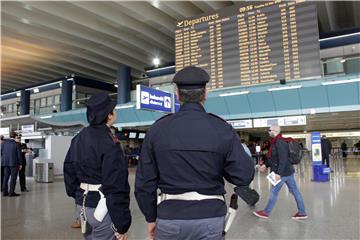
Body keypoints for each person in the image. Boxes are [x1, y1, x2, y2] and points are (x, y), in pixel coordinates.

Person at [135, 66, 255, 240]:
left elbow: (144, 183)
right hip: (210, 217)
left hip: (169, 217)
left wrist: (151, 217)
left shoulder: (158, 130)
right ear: (205, 93)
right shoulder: (221, 129)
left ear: (177, 94)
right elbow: (243, 176)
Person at [64, 93, 131, 240]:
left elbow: (69, 169)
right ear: (109, 115)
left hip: (82, 206)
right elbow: (116, 185)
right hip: (103, 208)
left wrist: (76, 193)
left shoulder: (78, 138)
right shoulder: (110, 143)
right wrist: (122, 223)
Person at [253, 125, 307, 220]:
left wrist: (279, 174)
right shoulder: (276, 142)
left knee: (274, 192)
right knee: (295, 191)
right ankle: (302, 212)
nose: (268, 132)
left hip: (281, 173)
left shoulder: (279, 142)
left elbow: (283, 159)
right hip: (287, 172)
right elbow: (274, 158)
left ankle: (266, 212)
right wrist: (265, 165)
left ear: (275, 131)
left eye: (269, 130)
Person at [1, 131, 22, 197]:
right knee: (13, 178)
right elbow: (19, 155)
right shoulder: (17, 144)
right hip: (14, 163)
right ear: (15, 136)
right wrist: (20, 164)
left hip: (5, 163)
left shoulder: (3, 143)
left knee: (5, 177)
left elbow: (1, 152)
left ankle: (4, 192)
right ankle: (11, 193)